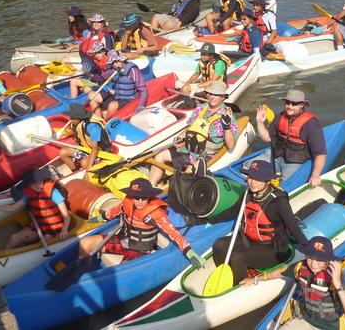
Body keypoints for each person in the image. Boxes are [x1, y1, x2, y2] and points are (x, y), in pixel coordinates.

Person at [213, 160, 308, 286]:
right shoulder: (248, 194)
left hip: (273, 249)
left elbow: (293, 227)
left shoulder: (278, 201)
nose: (252, 182)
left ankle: (238, 287)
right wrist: (206, 219)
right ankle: (228, 277)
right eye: (250, 177)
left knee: (238, 257)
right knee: (219, 245)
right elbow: (232, 211)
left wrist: (309, 248)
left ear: (268, 181)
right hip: (250, 241)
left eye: (257, 179)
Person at [78, 177, 206, 267]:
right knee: (85, 243)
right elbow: (111, 213)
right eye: (136, 197)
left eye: (143, 198)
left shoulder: (156, 213)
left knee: (121, 271)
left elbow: (173, 233)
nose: (139, 201)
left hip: (139, 250)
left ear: (149, 196)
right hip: (122, 241)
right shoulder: (127, 202)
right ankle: (83, 270)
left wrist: (189, 252)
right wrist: (94, 220)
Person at [243, 236, 345, 329]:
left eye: (319, 260)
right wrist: (254, 279)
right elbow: (279, 272)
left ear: (327, 261)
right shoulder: (300, 267)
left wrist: (337, 284)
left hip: (331, 327)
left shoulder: (335, 276)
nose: (313, 264)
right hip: (306, 319)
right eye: (310, 257)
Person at [148, 81, 237, 186]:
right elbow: (189, 128)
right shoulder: (201, 108)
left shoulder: (227, 115)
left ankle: (178, 189)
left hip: (206, 154)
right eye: (210, 94)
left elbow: (231, 145)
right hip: (189, 149)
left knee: (189, 171)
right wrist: (179, 138)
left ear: (223, 97)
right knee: (159, 156)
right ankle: (150, 187)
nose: (212, 97)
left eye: (216, 95)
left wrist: (226, 126)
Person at [0, 168, 71, 249]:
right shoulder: (29, 193)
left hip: (54, 229)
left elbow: (66, 217)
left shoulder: (54, 193)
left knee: (42, 243)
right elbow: (12, 207)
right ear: (29, 185)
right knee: (14, 238)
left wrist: (64, 230)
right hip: (39, 226)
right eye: (35, 183)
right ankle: (6, 255)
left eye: (41, 181)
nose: (40, 185)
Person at [253, 90, 327, 186]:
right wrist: (259, 122)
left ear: (301, 105)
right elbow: (267, 138)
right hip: (275, 155)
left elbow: (320, 153)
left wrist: (315, 175)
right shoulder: (280, 117)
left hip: (295, 162)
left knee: (284, 185)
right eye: (288, 103)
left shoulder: (311, 124)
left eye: (294, 103)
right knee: (251, 166)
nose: (290, 106)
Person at [88, 50, 148, 117]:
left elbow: (143, 89)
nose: (115, 65)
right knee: (91, 96)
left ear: (122, 60)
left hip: (128, 99)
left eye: (116, 61)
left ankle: (107, 122)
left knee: (112, 105)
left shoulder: (133, 71)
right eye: (113, 63)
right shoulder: (113, 70)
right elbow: (101, 78)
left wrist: (141, 105)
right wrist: (91, 75)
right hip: (116, 96)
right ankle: (98, 121)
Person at [58, 103, 111, 174]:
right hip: (86, 149)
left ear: (79, 117)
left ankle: (90, 172)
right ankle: (75, 172)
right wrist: (68, 134)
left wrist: (88, 169)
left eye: (72, 118)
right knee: (62, 152)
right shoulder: (76, 122)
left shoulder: (93, 127)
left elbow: (95, 149)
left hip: (99, 151)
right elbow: (79, 130)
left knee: (84, 163)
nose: (70, 120)